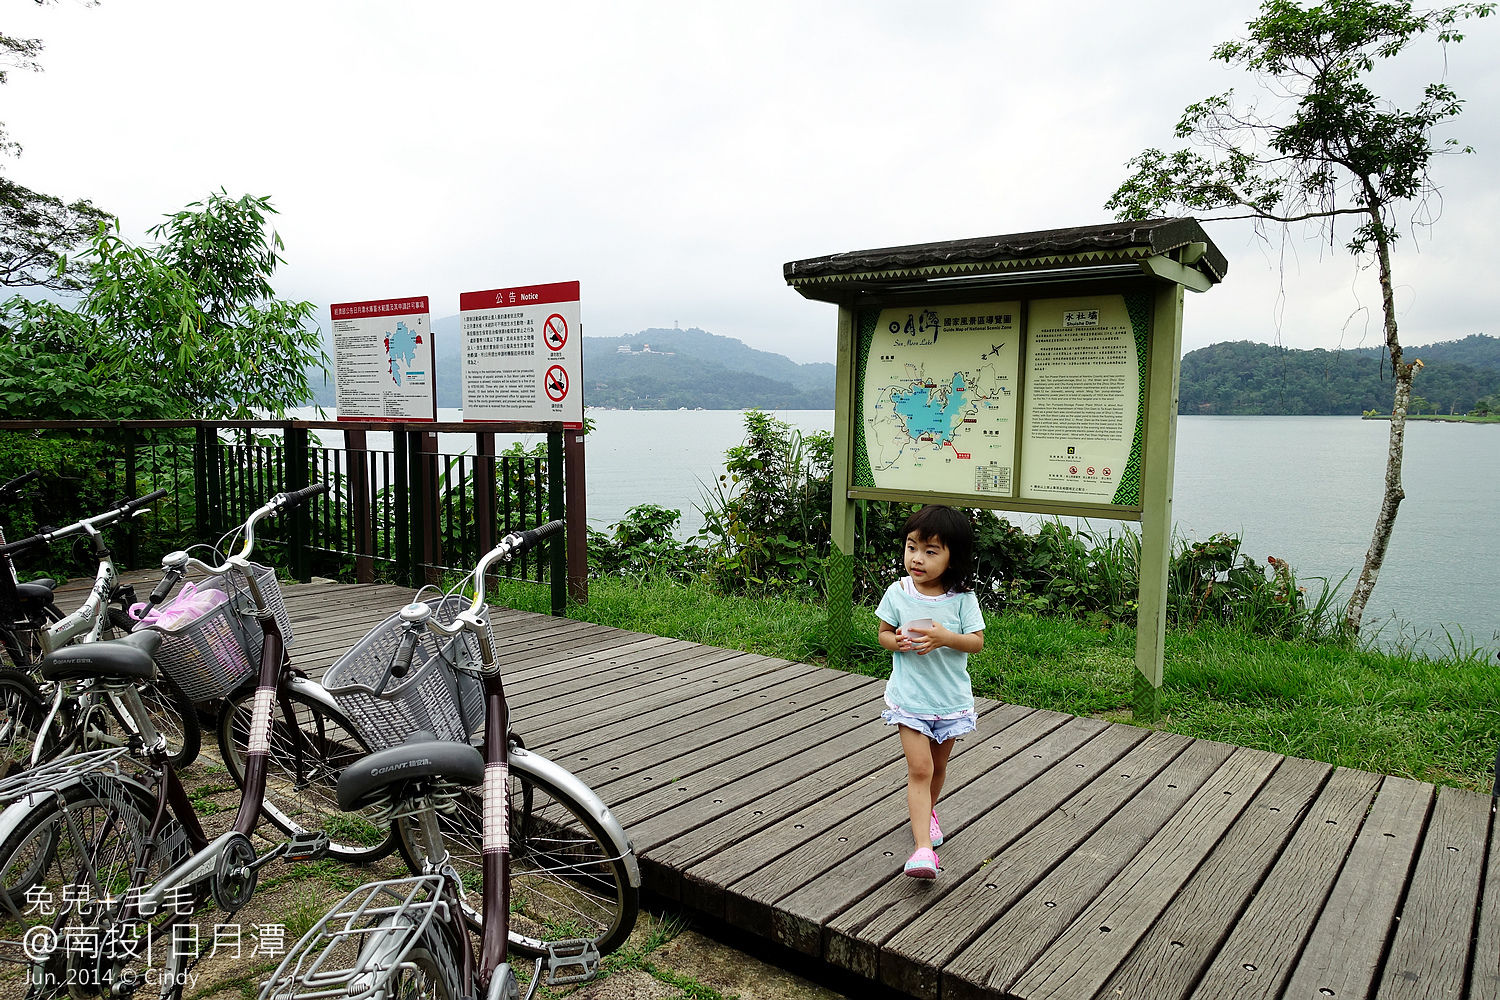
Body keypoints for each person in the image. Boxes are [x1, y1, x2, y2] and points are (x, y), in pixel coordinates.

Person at [875, 505, 985, 879]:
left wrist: (944, 638)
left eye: (930, 551)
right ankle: (923, 849)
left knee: (937, 768)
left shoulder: (962, 598)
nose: (916, 559)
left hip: (950, 701)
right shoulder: (898, 592)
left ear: (953, 557)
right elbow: (883, 634)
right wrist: (897, 642)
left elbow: (975, 642)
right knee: (920, 769)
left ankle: (927, 813)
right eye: (911, 547)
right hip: (911, 698)